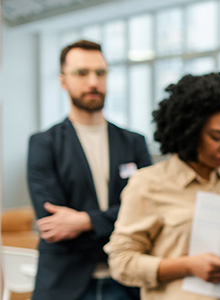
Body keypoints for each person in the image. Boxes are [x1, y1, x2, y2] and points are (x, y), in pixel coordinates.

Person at [104, 73, 220, 299]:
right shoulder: (149, 184)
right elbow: (121, 262)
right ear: (190, 131)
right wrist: (187, 266)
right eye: (217, 136)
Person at [27, 40, 149, 300]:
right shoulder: (43, 144)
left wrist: (84, 222)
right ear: (63, 81)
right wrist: (116, 221)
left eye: (100, 73)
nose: (93, 82)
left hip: (126, 283)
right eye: (82, 73)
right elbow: (54, 225)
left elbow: (148, 211)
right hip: (65, 285)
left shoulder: (134, 142)